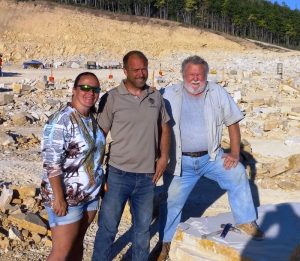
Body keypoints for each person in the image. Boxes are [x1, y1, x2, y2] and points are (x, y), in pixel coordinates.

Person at [157, 55, 264, 261]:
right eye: (191, 74)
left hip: (211, 158)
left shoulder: (217, 92)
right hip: (180, 163)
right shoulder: (169, 94)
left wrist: (234, 153)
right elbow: (154, 123)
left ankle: (246, 220)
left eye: (200, 74)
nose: (195, 78)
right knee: (171, 203)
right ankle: (166, 243)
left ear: (206, 75)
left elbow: (232, 122)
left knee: (238, 174)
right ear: (183, 75)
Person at [92, 50, 170, 261]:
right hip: (117, 175)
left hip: (147, 177)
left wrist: (164, 157)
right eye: (135, 69)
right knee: (107, 229)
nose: (140, 73)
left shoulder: (156, 97)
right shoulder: (112, 98)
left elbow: (164, 128)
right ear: (125, 71)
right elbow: (100, 136)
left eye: (144, 68)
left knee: (142, 231)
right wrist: (98, 173)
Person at [40, 72, 105, 261]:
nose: (90, 93)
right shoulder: (62, 119)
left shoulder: (91, 119)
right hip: (67, 198)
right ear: (74, 90)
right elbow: (52, 161)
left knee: (77, 245)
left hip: (90, 196)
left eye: (95, 89)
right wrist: (59, 197)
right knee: (61, 252)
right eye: (85, 87)